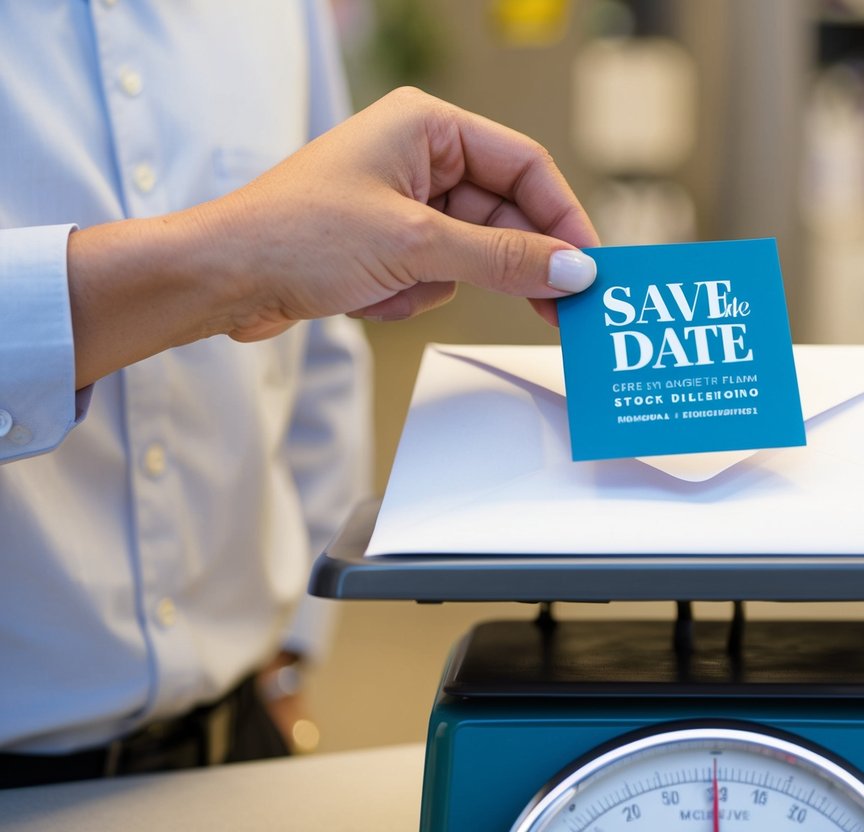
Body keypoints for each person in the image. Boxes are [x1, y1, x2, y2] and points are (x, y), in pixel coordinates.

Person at [0, 1, 598, 789]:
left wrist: (291, 656)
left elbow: (319, 343)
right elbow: (277, 260)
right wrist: (233, 262)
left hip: (236, 747)